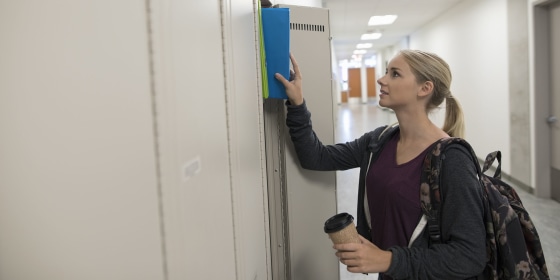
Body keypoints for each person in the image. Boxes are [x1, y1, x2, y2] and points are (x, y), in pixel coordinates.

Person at [275, 51, 487, 279]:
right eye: (387, 71)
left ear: (424, 88)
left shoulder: (452, 159)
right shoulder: (379, 141)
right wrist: (297, 103)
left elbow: (470, 256)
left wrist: (388, 259)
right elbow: (316, 157)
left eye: (394, 74)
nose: (381, 79)